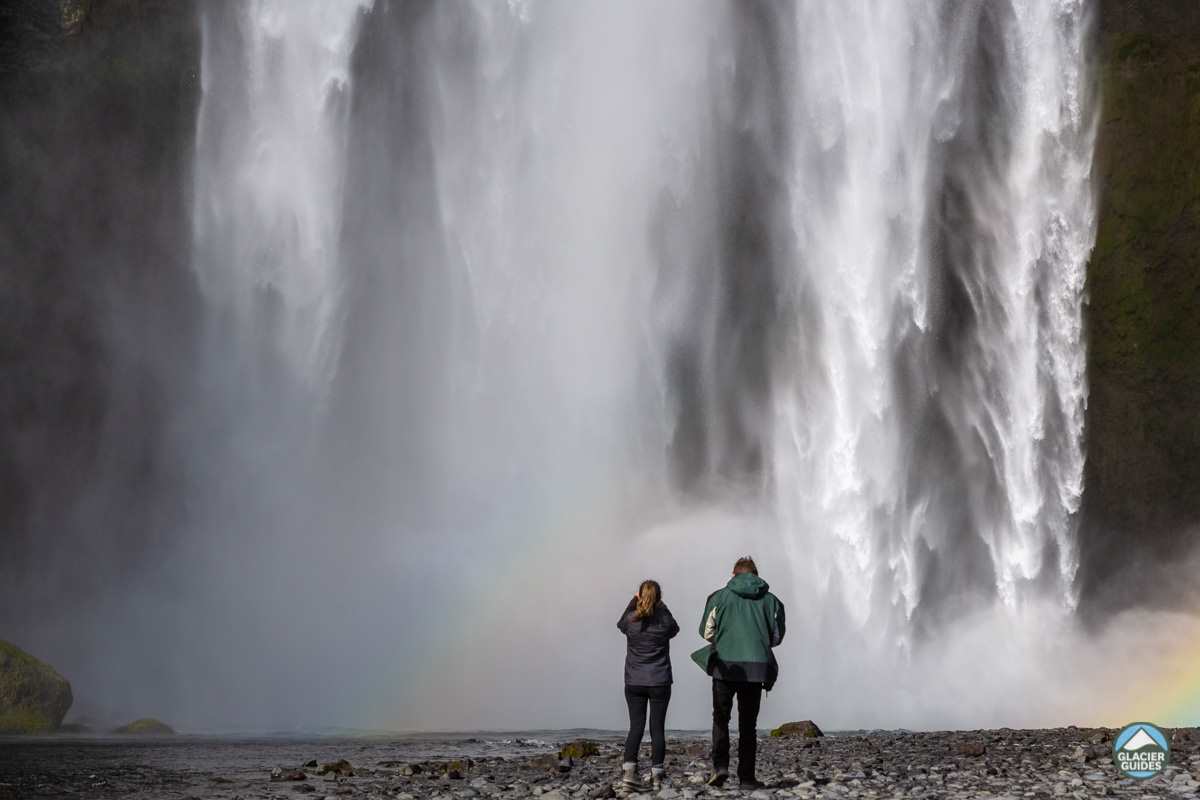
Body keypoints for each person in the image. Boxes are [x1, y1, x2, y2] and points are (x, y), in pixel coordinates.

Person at [694, 556, 785, 789]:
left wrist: (726, 639)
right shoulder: (772, 602)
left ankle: (720, 767)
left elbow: (705, 632)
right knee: (748, 725)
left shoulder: (718, 597)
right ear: (756, 574)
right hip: (755, 670)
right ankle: (746, 778)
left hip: (725, 667)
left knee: (721, 719)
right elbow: (776, 637)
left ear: (734, 574)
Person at [617, 579, 679, 790]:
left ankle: (629, 774)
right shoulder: (663, 620)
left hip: (634, 680)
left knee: (636, 727)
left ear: (640, 596)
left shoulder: (631, 620)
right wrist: (661, 605)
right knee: (657, 728)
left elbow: (620, 624)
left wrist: (633, 602)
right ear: (659, 598)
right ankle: (657, 776)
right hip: (659, 679)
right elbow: (675, 628)